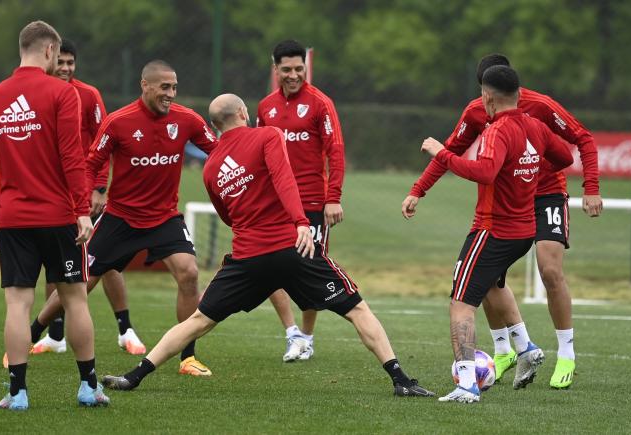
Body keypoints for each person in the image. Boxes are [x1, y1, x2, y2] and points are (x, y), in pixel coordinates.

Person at [101, 93, 435, 398]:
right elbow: (284, 179)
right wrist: (302, 223)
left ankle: (135, 375)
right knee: (356, 309)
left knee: (199, 320)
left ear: (214, 126)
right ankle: (400, 379)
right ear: (244, 113)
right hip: (292, 249)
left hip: (247, 257)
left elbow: (228, 216)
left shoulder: (210, 167)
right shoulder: (267, 135)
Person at [402, 54, 602, 389]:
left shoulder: (539, 108)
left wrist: (589, 188)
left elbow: (581, 140)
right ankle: (512, 348)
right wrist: (418, 189)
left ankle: (565, 353)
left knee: (548, 270)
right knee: (488, 276)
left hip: (546, 195)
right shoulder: (476, 112)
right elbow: (455, 146)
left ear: (493, 92)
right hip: (506, 204)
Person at [29, 59, 218, 377]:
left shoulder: (187, 120)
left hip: (164, 218)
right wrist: (85, 202)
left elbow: (219, 150)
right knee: (79, 285)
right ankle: (31, 334)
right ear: (145, 85)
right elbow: (90, 165)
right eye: (164, 87)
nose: (170, 93)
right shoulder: (119, 122)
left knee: (189, 274)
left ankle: (188, 357)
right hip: (121, 218)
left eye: (174, 87)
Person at [0, 20, 109, 410]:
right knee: (75, 299)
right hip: (60, 217)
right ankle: (88, 387)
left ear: (22, 49)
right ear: (50, 51)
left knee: (17, 304)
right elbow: (71, 156)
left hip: (13, 220)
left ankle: (17, 393)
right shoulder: (62, 93)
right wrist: (82, 211)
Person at [31, 39, 140, 356]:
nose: (65, 68)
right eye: (60, 62)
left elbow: (106, 142)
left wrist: (98, 188)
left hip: (85, 195)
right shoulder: (37, 95)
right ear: (50, 62)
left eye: (70, 63)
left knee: (105, 262)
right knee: (54, 263)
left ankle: (125, 330)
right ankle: (55, 336)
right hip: (51, 195)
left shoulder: (89, 95)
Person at [256, 39, 345, 362]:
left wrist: (332, 198)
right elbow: (257, 154)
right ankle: (291, 332)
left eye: (299, 69)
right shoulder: (265, 107)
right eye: (287, 69)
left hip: (310, 202)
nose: (293, 75)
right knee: (265, 266)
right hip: (273, 203)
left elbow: (336, 151)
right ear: (275, 68)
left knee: (309, 270)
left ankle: (306, 337)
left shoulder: (321, 103)